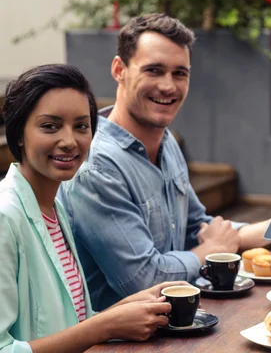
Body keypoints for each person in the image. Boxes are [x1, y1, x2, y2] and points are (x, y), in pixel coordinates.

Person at [58, 13, 271, 311]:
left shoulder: (166, 141)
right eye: (154, 70)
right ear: (119, 70)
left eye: (180, 73)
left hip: (176, 321)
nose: (168, 86)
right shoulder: (97, 164)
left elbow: (199, 228)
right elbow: (144, 279)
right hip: (119, 342)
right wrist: (211, 250)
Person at [0, 64, 190, 353]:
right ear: (18, 135)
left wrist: (123, 310)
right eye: (50, 126)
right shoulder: (6, 216)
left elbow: (65, 325)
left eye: (81, 126)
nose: (69, 141)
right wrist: (104, 326)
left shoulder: (52, 207)